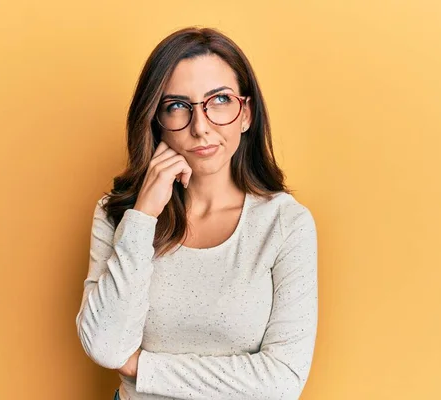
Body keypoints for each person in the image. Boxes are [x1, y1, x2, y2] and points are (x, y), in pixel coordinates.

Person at [76, 26, 318, 400]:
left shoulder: (285, 224)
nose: (201, 128)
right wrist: (143, 214)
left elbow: (281, 381)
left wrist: (145, 368)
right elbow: (106, 347)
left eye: (219, 100)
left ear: (246, 114)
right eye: (177, 106)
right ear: (156, 121)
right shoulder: (118, 215)